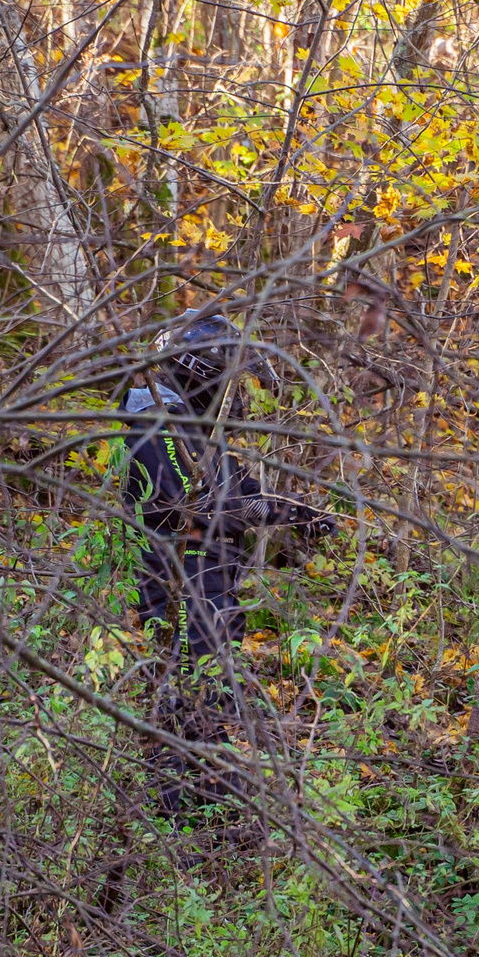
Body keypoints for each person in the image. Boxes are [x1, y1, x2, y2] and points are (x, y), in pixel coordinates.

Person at [122, 314, 322, 811]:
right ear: (199, 372)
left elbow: (240, 490)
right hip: (175, 585)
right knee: (186, 695)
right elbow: (177, 507)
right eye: (225, 380)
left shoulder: (194, 432)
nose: (230, 396)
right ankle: (178, 818)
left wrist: (293, 512)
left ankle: (212, 798)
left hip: (208, 586)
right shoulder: (155, 425)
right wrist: (249, 511)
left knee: (210, 693)